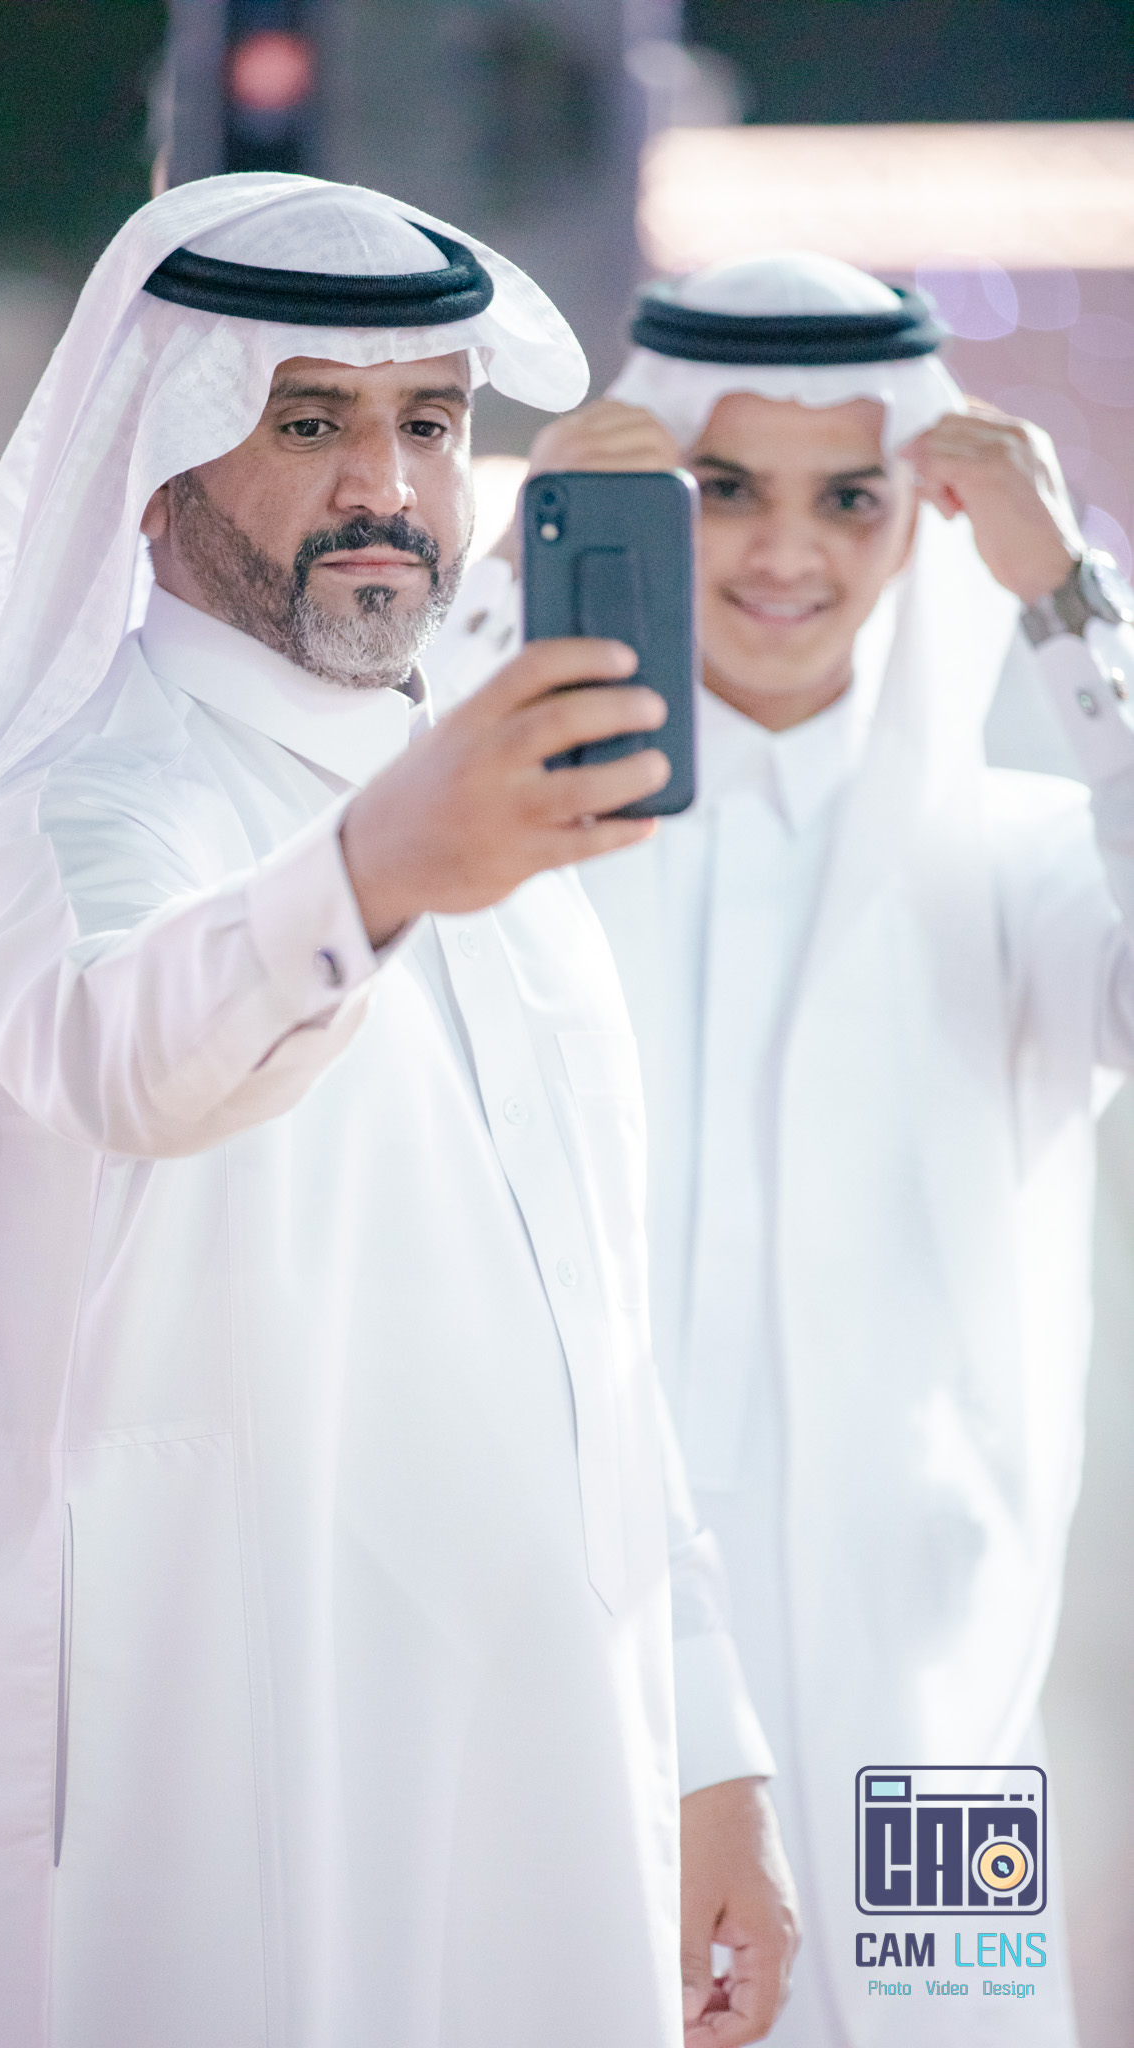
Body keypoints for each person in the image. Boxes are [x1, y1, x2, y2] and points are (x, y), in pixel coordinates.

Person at [0, 179, 800, 2048]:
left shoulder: (488, 814)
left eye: (430, 425)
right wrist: (374, 872)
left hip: (543, 1764)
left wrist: (711, 1748)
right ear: (157, 465)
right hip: (208, 1781)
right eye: (309, 423)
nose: (384, 488)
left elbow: (596, 1334)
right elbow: (130, 1051)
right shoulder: (74, 804)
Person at [426, 252, 1134, 2046]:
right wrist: (509, 575)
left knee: (948, 2020)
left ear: (927, 519)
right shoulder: (510, 857)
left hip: (937, 1689)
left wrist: (1068, 604)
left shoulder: (1019, 856)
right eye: (721, 488)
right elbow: (347, 887)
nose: (782, 553)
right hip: (584, 1644)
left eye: (848, 498)